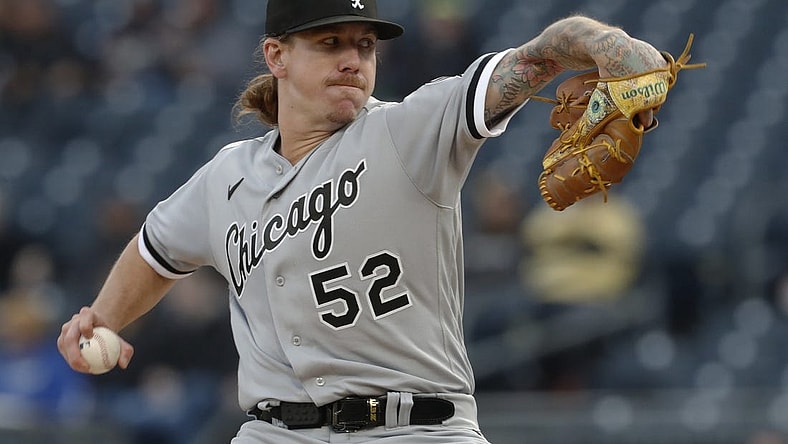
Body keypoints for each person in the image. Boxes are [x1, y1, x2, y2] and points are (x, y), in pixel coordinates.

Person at [57, 0, 667, 442]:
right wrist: (103, 319)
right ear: (277, 55)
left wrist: (607, 45)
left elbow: (545, 51)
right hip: (277, 433)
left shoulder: (410, 130)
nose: (352, 59)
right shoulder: (227, 178)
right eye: (329, 42)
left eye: (364, 45)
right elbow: (155, 249)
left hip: (415, 429)